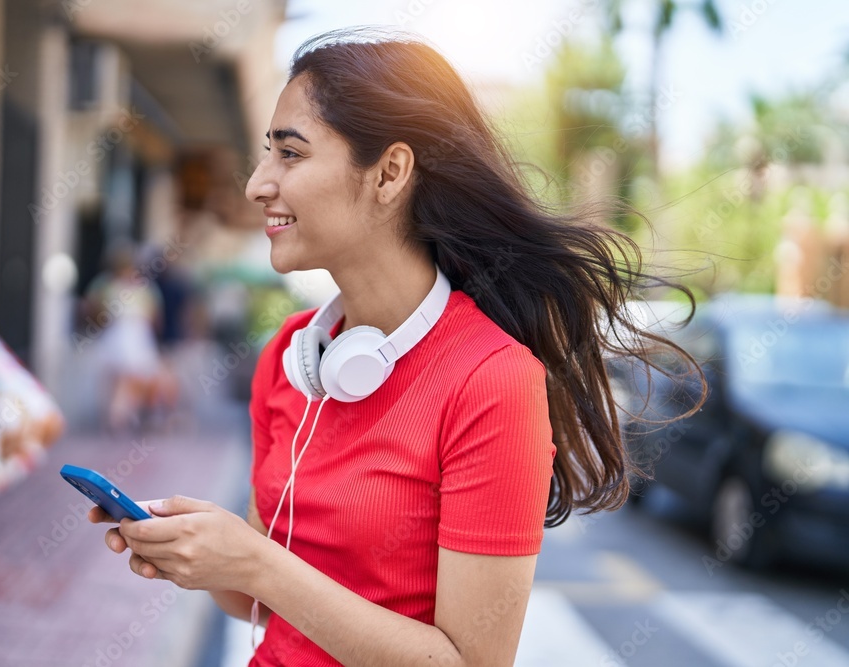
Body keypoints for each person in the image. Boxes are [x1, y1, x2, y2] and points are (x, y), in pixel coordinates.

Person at [88, 29, 704, 666]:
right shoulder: (290, 357)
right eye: (266, 155)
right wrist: (200, 551)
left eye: (290, 155)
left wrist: (257, 563)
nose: (258, 184)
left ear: (389, 173)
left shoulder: (491, 379)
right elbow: (250, 602)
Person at [82, 240, 167, 433]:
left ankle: (118, 416)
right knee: (126, 379)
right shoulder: (139, 288)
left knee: (121, 380)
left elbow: (91, 309)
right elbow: (154, 315)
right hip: (129, 337)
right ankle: (120, 416)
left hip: (121, 336)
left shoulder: (106, 285)